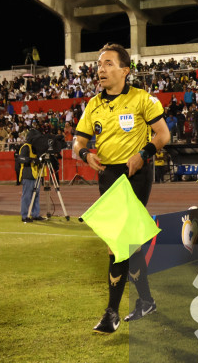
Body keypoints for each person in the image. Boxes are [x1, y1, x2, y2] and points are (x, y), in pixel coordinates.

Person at [73, 43, 171, 334]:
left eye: (107, 64)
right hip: (108, 175)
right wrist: (84, 154)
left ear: (124, 70)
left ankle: (111, 313)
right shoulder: (93, 104)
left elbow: (163, 134)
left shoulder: (143, 99)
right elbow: (78, 142)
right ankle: (147, 301)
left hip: (136, 172)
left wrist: (144, 153)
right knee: (129, 242)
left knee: (117, 243)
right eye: (99, 64)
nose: (100, 69)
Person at [18, 129, 43, 223]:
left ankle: (35, 214)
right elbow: (20, 159)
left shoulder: (35, 147)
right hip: (28, 174)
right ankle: (24, 216)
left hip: (36, 174)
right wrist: (32, 160)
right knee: (27, 196)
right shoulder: (26, 147)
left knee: (36, 196)